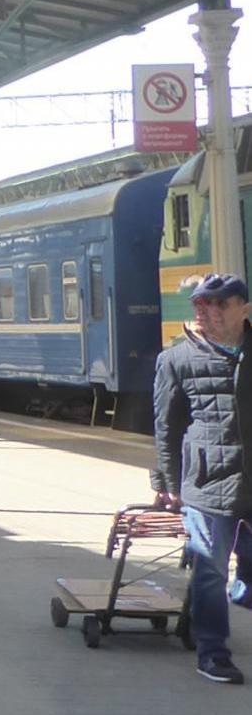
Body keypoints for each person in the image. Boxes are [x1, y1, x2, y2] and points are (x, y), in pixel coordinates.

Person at [152, 273, 252, 683]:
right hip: (207, 481)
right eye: (200, 306)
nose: (208, 314)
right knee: (210, 566)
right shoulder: (175, 359)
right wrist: (166, 483)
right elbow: (166, 425)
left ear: (243, 309)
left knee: (240, 582)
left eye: (219, 305)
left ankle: (239, 592)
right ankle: (212, 652)